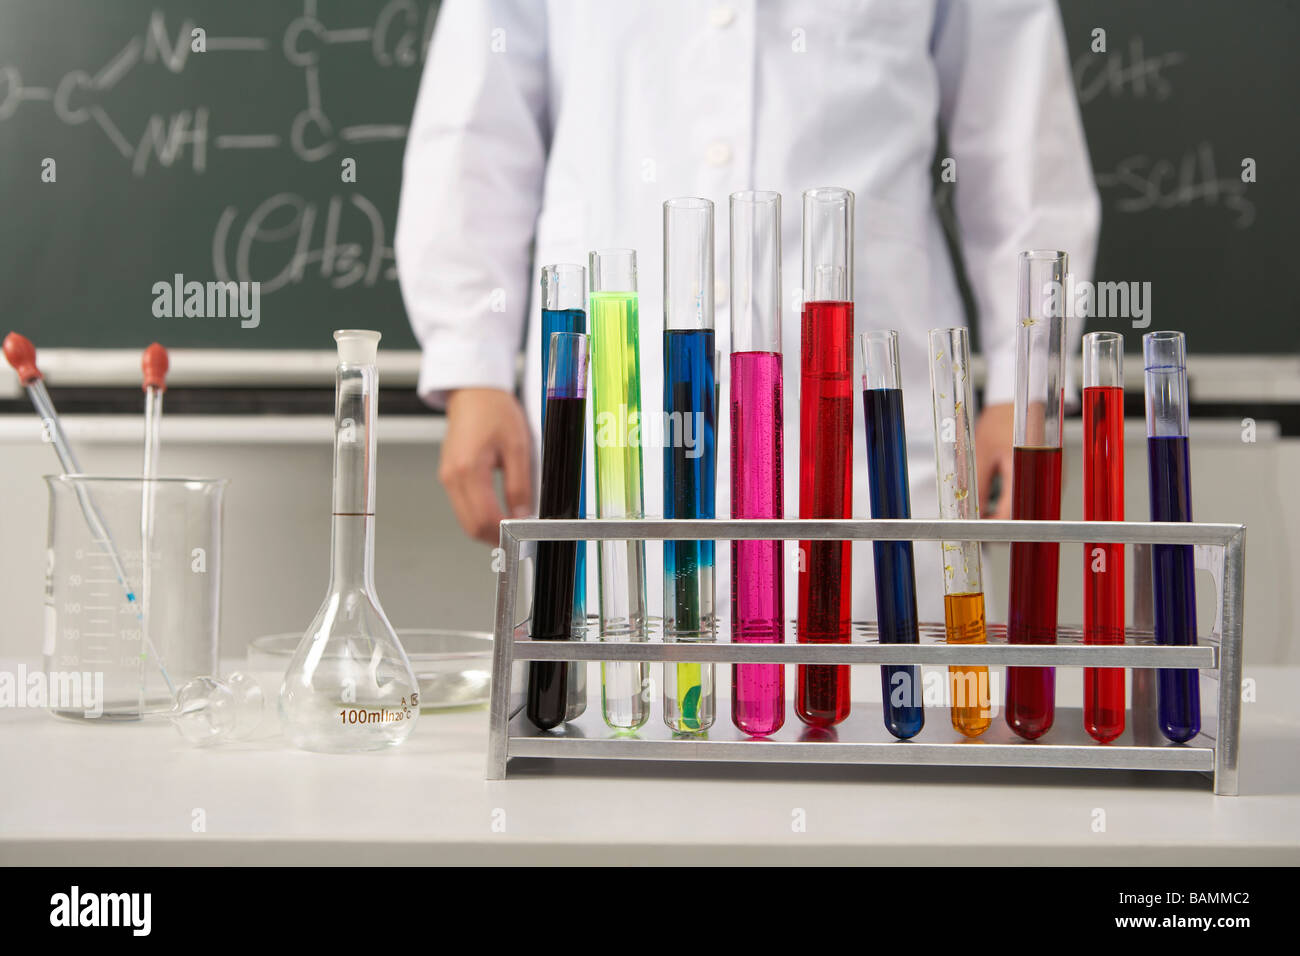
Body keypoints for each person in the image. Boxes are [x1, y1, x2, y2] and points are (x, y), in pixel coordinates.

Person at [395, 0, 1099, 623]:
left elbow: (1018, 128)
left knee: (879, 723)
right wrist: (471, 359)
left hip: (869, 416)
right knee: (616, 716)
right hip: (618, 406)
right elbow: (478, 125)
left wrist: (1027, 381)